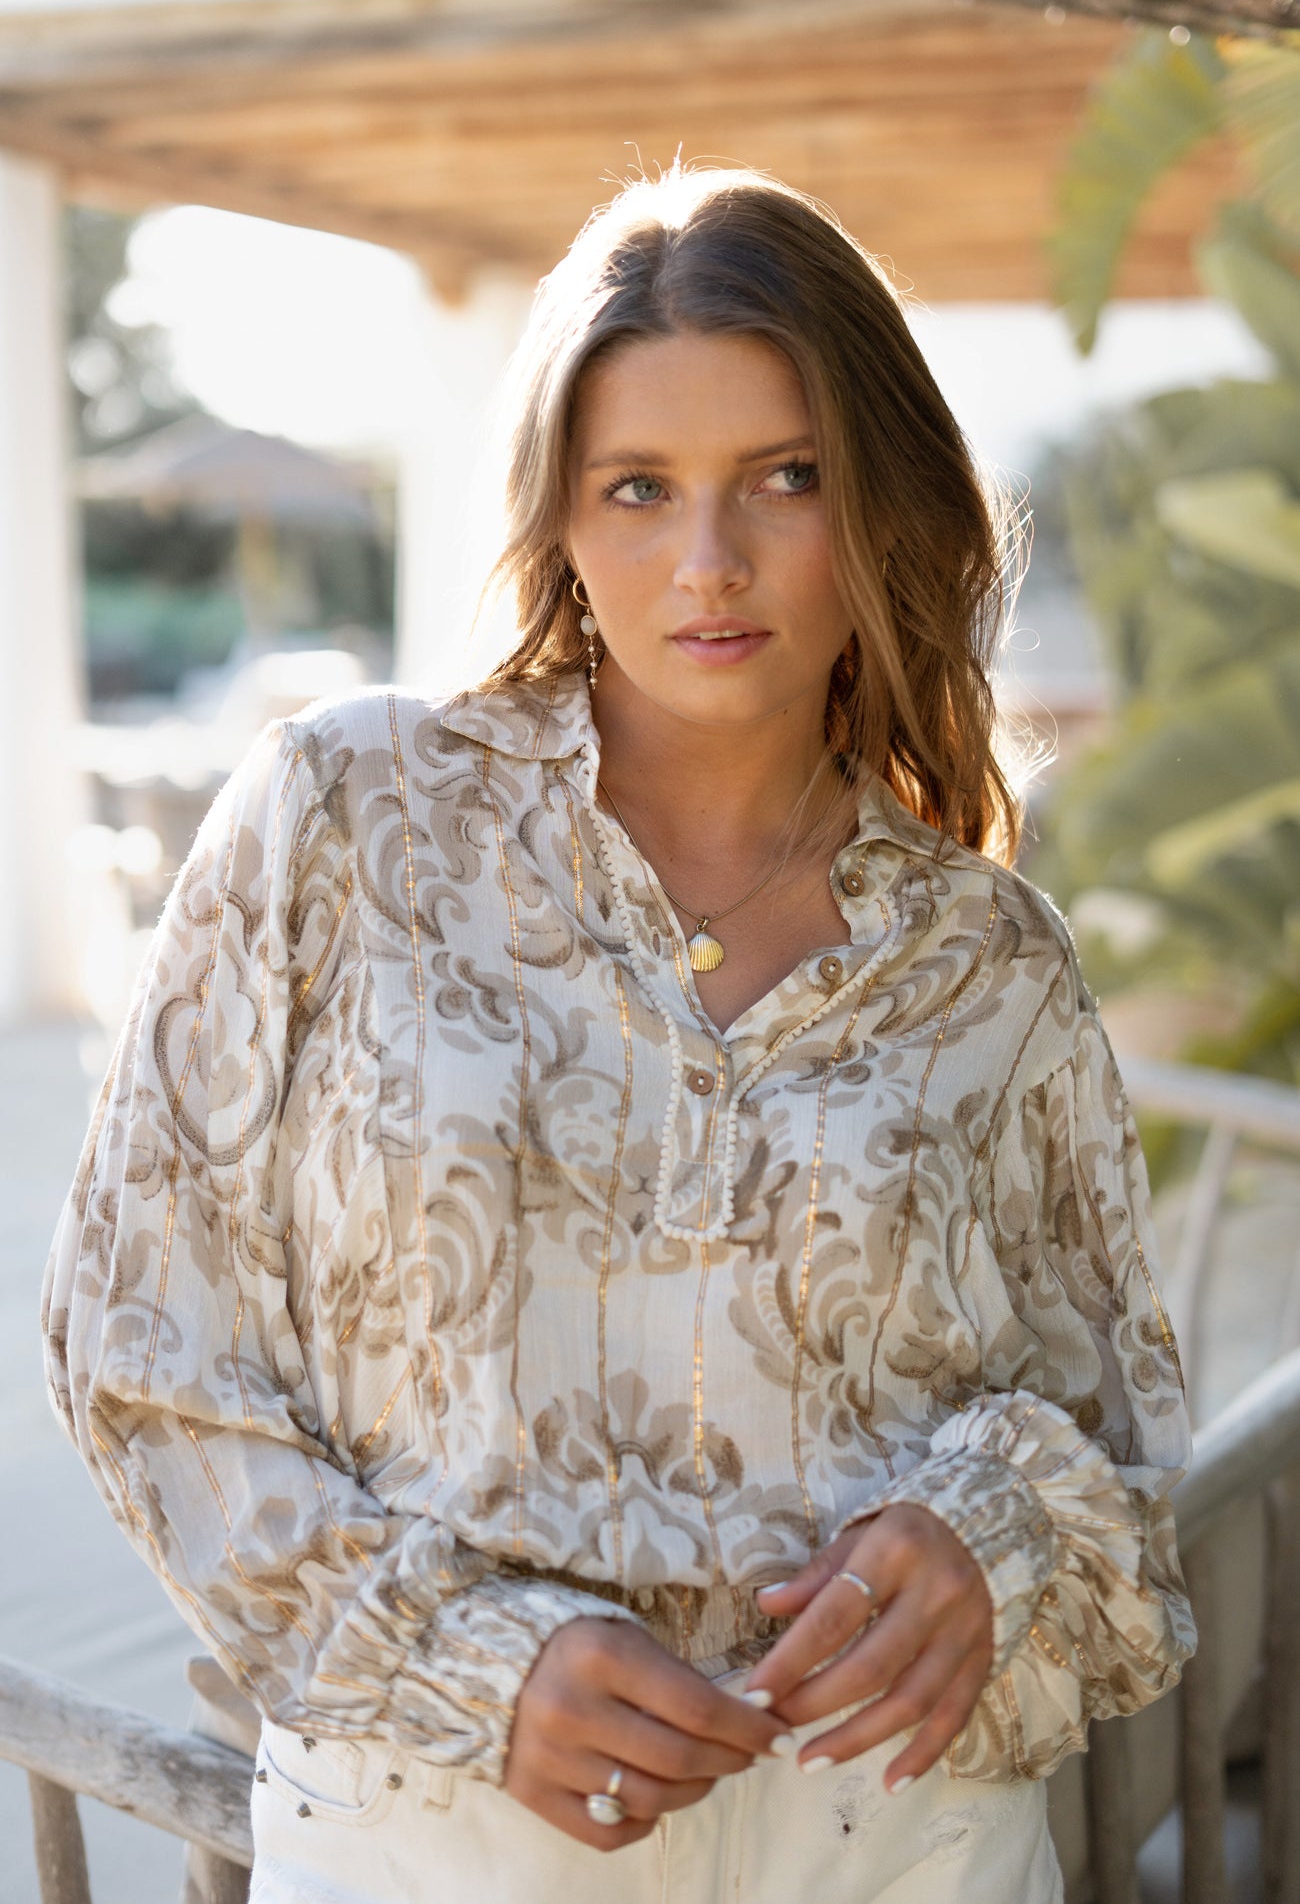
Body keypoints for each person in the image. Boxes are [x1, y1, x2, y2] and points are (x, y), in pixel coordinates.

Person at [43, 165, 1195, 1904]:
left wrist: (992, 1538)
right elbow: (137, 1340)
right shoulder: (347, 816)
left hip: (895, 1839)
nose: (709, 563)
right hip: (441, 1834)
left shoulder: (991, 960)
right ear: (561, 521)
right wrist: (462, 1661)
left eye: (787, 478)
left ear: (885, 502)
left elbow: (1121, 1449)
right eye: (639, 488)